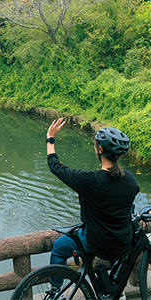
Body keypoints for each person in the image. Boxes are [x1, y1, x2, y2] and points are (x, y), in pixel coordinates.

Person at [46, 118, 139, 298]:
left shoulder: (89, 181)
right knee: (119, 263)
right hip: (122, 241)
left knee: (58, 247)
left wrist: (50, 138)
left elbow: (55, 166)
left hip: (95, 240)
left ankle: (55, 292)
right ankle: (117, 292)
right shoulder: (131, 180)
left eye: (95, 144)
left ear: (100, 150)